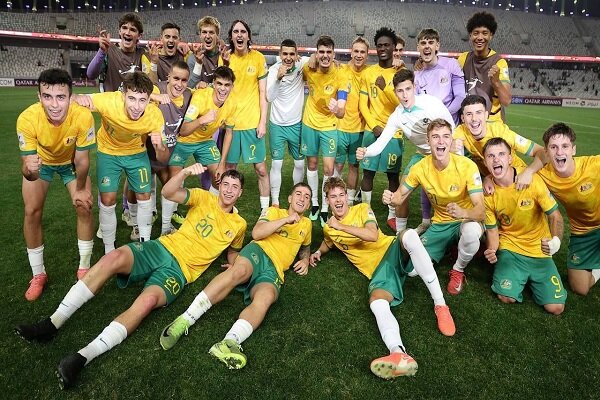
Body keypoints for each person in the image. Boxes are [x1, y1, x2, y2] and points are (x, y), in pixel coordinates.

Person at [15, 167, 247, 389]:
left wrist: (233, 264)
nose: (228, 190)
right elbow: (167, 192)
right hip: (162, 247)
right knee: (113, 258)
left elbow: (233, 250)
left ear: (240, 192)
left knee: (146, 303)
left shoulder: (239, 225)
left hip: (180, 272)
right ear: (219, 185)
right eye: (225, 184)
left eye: (234, 187)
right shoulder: (202, 196)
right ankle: (52, 323)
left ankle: (81, 357)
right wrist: (185, 173)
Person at [310, 177, 455, 380]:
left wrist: (341, 227)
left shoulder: (362, 209)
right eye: (333, 196)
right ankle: (398, 353)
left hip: (392, 249)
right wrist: (317, 252)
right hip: (381, 272)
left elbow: (373, 235)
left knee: (410, 235)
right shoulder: (328, 228)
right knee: (377, 303)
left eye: (341, 195)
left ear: (347, 197)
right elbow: (329, 241)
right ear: (327, 200)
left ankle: (440, 304)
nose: (338, 200)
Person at [158, 183, 312, 370]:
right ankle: (185, 319)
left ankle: (229, 342)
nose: (302, 198)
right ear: (289, 198)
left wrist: (305, 260)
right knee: (239, 271)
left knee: (267, 298)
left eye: (307, 196)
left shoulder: (307, 224)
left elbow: (305, 247)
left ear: (309, 203)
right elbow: (257, 233)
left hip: (275, 270)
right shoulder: (274, 212)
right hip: (259, 251)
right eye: (298, 194)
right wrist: (286, 220)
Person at [17, 68, 96, 301]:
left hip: (70, 162)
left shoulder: (83, 116)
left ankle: (84, 269)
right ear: (38, 96)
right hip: (42, 164)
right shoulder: (27, 119)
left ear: (70, 97)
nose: (54, 104)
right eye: (47, 96)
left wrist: (80, 189)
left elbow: (82, 160)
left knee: (84, 205)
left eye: (61, 97)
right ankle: (38, 274)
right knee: (31, 211)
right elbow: (29, 171)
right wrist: (28, 169)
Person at [383, 119, 484, 295]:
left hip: (466, 220)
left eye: (446, 136)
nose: (441, 141)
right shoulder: (420, 167)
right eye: (435, 137)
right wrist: (391, 198)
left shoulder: (467, 166)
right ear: (428, 141)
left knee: (471, 233)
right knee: (414, 270)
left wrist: (463, 212)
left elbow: (481, 211)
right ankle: (448, 246)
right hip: (440, 224)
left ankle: (458, 268)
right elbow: (400, 196)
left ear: (451, 140)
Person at [73, 72, 168, 251]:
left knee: (145, 196)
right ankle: (109, 248)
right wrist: (78, 97)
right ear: (123, 95)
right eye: (131, 98)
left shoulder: (154, 115)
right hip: (108, 152)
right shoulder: (109, 101)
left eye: (142, 100)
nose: (136, 106)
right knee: (107, 199)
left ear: (150, 100)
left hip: (136, 153)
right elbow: (75, 98)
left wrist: (159, 146)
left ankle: (144, 243)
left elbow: (163, 158)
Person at [357, 69, 455, 235]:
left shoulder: (431, 103)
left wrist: (454, 157)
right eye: (400, 91)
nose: (404, 95)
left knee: (451, 194)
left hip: (445, 154)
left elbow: (451, 129)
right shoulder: (397, 116)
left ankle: (451, 232)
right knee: (401, 194)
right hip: (422, 155)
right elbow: (381, 143)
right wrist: (365, 151)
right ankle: (399, 235)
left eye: (408, 89)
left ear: (414, 87)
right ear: (395, 92)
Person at [482, 138, 566, 314]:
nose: (496, 159)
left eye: (501, 154)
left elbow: (556, 216)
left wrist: (556, 241)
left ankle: (529, 279)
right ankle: (518, 277)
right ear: (485, 162)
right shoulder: (487, 193)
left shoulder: (531, 180)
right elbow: (492, 230)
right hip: (511, 248)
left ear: (510, 158)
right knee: (506, 297)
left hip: (539, 249)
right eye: (490, 156)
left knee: (556, 307)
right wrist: (492, 249)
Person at [537, 123, 600, 296]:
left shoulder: (593, 165)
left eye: (565, 146)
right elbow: (515, 174)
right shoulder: (543, 175)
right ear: (547, 151)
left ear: (573, 150)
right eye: (553, 147)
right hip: (583, 231)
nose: (559, 152)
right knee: (580, 289)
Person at [167, 66, 236, 202]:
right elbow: (184, 130)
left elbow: (229, 133)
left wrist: (222, 163)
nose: (223, 89)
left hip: (205, 141)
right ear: (213, 83)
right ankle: (167, 222)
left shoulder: (232, 103)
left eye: (227, 85)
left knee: (220, 177)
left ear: (232, 86)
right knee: (174, 180)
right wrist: (201, 120)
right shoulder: (201, 97)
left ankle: (209, 209)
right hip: (183, 141)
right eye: (219, 84)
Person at [358, 27, 403, 231]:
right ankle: (366, 210)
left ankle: (392, 214)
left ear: (394, 47)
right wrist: (374, 126)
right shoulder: (368, 73)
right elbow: (362, 104)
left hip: (395, 133)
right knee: (368, 173)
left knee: (393, 175)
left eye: (387, 45)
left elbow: (404, 104)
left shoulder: (400, 74)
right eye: (380, 45)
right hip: (372, 131)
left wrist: (385, 87)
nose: (383, 48)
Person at [301, 35, 348, 225]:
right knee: (311, 164)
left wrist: (337, 109)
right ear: (317, 52)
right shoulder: (308, 68)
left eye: (329, 52)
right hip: (309, 124)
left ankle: (326, 206)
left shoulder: (341, 75)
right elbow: (295, 62)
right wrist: (308, 58)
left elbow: (342, 111)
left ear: (333, 54)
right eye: (321, 52)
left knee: (329, 168)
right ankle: (313, 203)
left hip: (329, 126)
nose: (325, 55)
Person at [224, 20, 270, 210]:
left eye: (243, 31)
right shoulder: (225, 58)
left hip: (252, 124)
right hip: (231, 126)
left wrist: (262, 122)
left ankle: (265, 211)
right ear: (231, 36)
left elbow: (263, 93)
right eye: (236, 31)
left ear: (248, 36)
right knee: (229, 171)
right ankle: (227, 210)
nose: (240, 34)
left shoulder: (258, 58)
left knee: (260, 169)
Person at [453, 95, 546, 187]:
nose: (474, 119)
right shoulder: (460, 131)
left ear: (486, 115)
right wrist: (450, 147)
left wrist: (528, 172)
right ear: (463, 118)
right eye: (469, 114)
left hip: (519, 179)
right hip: (494, 182)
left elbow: (542, 151)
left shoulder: (500, 132)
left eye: (478, 112)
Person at [148, 60, 193, 235]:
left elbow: (205, 93)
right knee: (138, 187)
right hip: (149, 147)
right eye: (176, 78)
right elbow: (130, 91)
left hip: (172, 148)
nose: (179, 84)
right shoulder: (157, 89)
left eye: (184, 80)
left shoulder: (189, 95)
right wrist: (154, 96)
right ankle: (133, 215)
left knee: (171, 184)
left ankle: (165, 227)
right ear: (168, 77)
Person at [266, 39, 308, 207]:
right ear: (280, 55)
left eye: (292, 54)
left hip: (296, 124)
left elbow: (314, 59)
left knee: (299, 162)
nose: (288, 57)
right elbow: (269, 97)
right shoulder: (273, 70)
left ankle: (297, 194)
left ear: (296, 55)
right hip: (277, 124)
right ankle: (275, 200)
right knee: (277, 163)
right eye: (285, 54)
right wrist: (278, 78)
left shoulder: (301, 64)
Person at [458, 11, 511, 122]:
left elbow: (506, 101)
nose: (480, 37)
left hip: (491, 123)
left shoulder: (499, 62)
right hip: (469, 122)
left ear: (491, 36)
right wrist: (422, 62)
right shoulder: (463, 58)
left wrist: (496, 81)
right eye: (476, 33)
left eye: (485, 33)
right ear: (470, 35)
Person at [335, 37, 369, 206]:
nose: (359, 55)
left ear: (367, 54)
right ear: (351, 51)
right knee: (338, 165)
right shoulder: (340, 69)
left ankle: (348, 201)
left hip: (360, 129)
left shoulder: (369, 73)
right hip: (340, 127)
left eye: (362, 52)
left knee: (354, 167)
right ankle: (334, 197)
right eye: (356, 51)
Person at [87, 13, 150, 92]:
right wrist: (102, 51)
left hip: (132, 102)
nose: (127, 33)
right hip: (111, 102)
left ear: (139, 36)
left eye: (133, 30)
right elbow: (91, 75)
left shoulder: (143, 54)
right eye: (124, 28)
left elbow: (150, 85)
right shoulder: (109, 50)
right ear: (119, 31)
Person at [414, 28, 465, 125]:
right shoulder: (416, 75)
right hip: (428, 128)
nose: (427, 46)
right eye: (423, 43)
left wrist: (442, 116)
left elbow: (460, 96)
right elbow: (416, 105)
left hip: (450, 127)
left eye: (431, 42)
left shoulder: (451, 64)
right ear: (418, 47)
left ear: (437, 46)